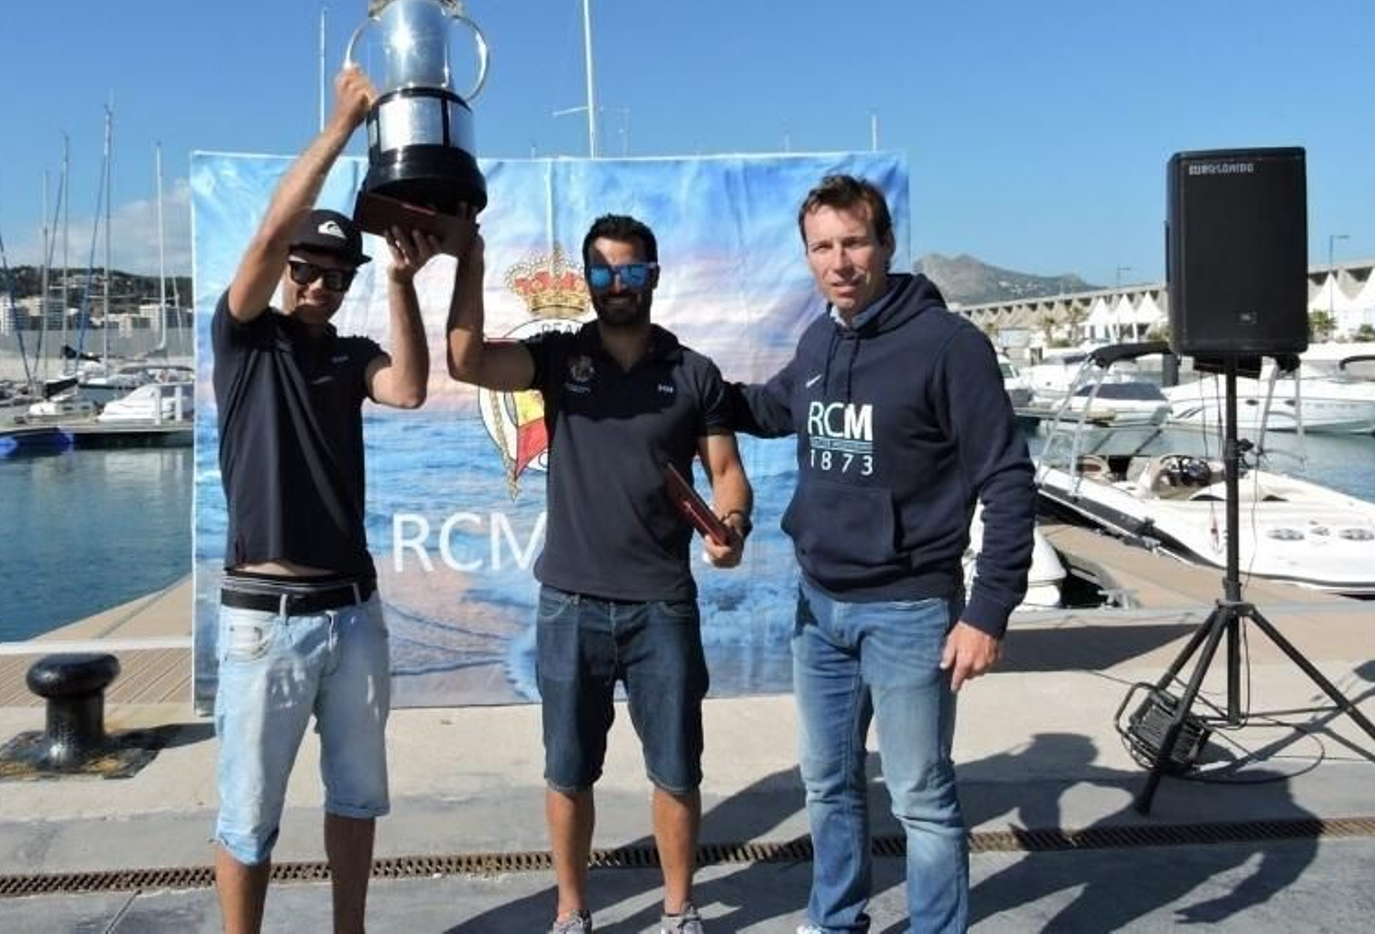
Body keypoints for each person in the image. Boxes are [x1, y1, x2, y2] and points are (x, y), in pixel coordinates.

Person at [726, 174, 1035, 934]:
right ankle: (835, 919)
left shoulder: (949, 347)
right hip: (819, 606)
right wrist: (688, 386)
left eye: (854, 241)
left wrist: (987, 610)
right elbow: (771, 407)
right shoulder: (820, 336)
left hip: (910, 609)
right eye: (822, 246)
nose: (840, 261)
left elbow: (1007, 478)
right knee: (828, 782)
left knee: (920, 796)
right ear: (807, 256)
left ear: (887, 243)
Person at [446, 214, 754, 934]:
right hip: (569, 604)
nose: (619, 284)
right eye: (605, 272)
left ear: (655, 275)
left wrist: (731, 526)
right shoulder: (556, 359)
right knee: (568, 770)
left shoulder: (693, 373)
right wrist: (471, 257)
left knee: (677, 770)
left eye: (632, 270)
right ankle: (570, 910)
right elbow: (463, 359)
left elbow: (729, 473)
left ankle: (680, 911)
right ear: (587, 281)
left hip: (663, 608)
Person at [210, 65, 442, 934]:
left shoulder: (349, 356)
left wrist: (398, 281)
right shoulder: (244, 339)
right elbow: (273, 225)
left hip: (352, 611)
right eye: (306, 268)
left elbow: (413, 387)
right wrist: (342, 126)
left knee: (355, 797)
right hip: (264, 617)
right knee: (249, 815)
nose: (317, 283)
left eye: (333, 274)